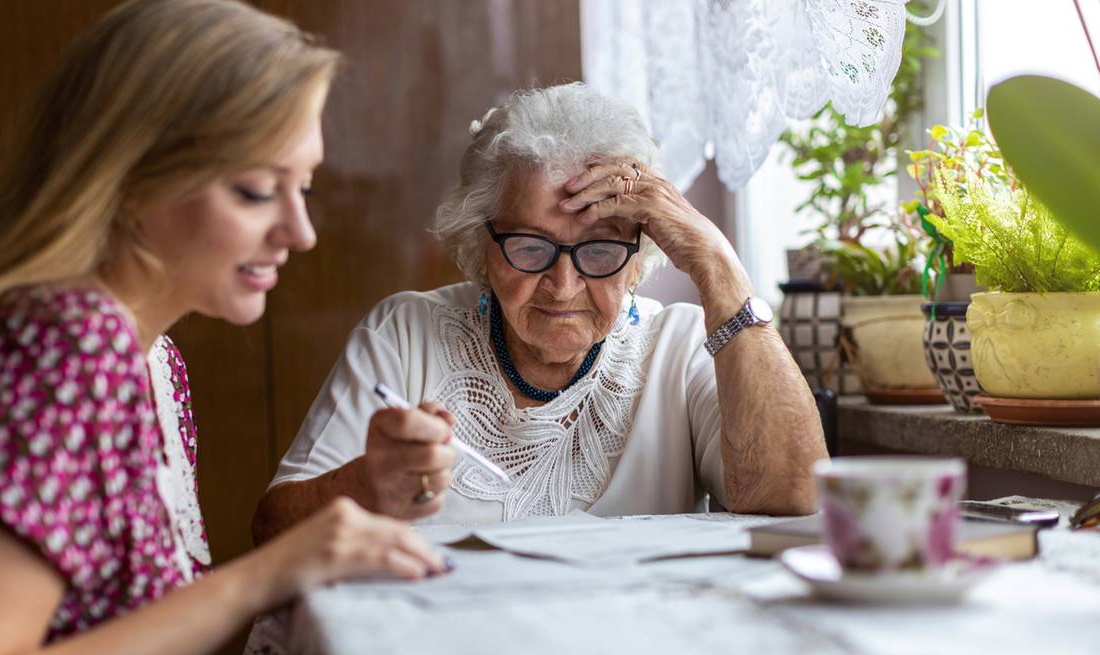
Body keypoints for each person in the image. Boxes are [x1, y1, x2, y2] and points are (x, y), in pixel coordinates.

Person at [0, 1, 449, 655]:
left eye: (303, 187)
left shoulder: (155, 359)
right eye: (254, 190)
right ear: (130, 178)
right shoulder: (61, 351)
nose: (300, 232)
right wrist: (271, 570)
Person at [251, 82, 827, 537]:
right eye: (530, 247)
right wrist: (364, 485)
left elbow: (796, 497)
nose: (563, 284)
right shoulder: (406, 334)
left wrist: (717, 264)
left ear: (636, 257)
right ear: (482, 247)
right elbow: (273, 528)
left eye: (600, 249)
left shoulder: (678, 348)